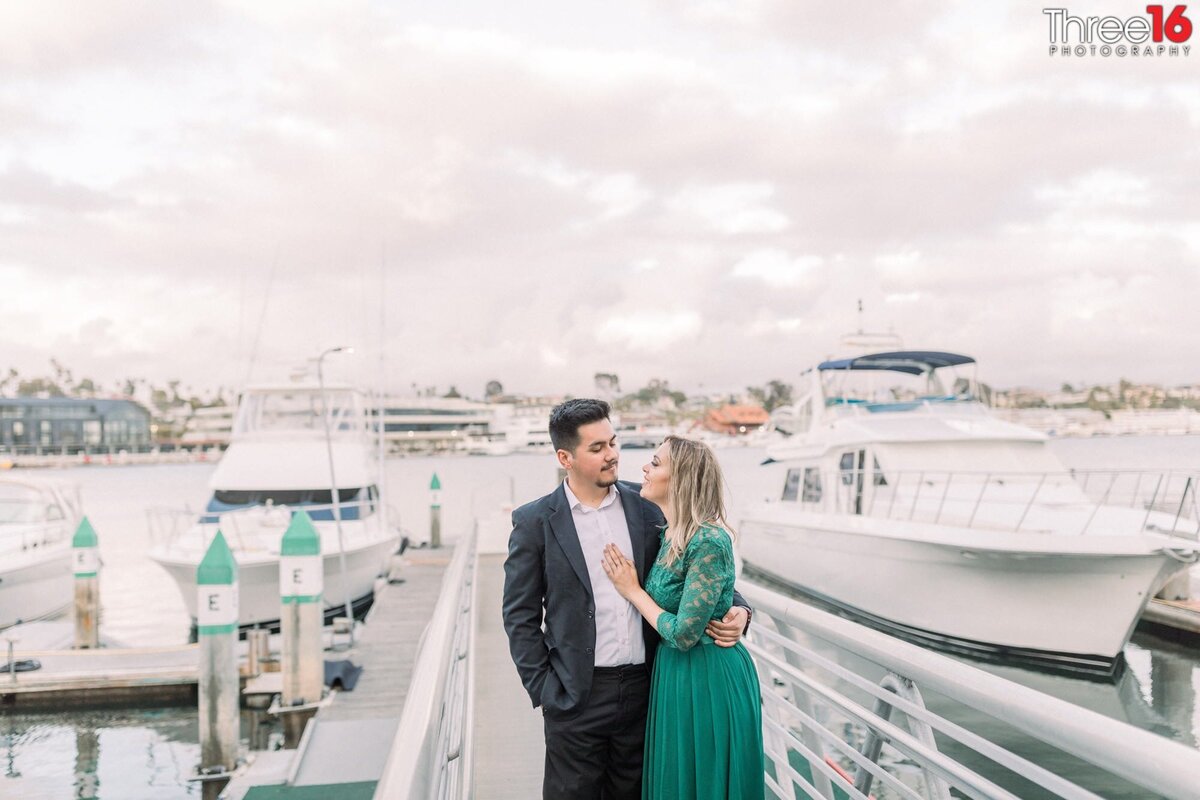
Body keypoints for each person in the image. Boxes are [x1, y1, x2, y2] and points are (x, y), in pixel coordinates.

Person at [502, 399, 752, 800]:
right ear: (565, 457)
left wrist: (740, 608)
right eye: (597, 448)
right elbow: (519, 615)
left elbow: (699, 564)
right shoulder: (535, 521)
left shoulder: (649, 504)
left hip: (649, 687)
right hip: (576, 694)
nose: (612, 455)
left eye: (613, 443)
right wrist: (547, 691)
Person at [601, 435, 764, 799]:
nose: (644, 468)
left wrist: (632, 591)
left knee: (706, 780)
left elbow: (684, 633)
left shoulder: (709, 540)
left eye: (656, 463)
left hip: (709, 676)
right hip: (673, 675)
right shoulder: (670, 533)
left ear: (682, 479)